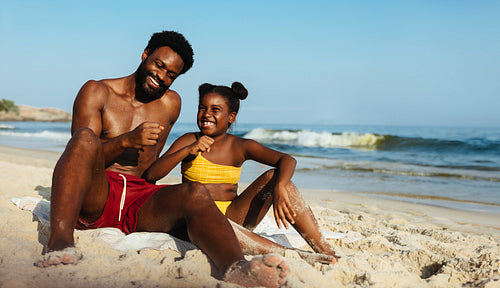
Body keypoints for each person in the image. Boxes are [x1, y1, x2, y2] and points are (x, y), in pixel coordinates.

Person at [37, 31, 288, 288]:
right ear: (145, 55)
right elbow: (82, 154)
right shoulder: (97, 91)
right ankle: (60, 244)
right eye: (159, 65)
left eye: (171, 74)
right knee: (84, 137)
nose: (162, 76)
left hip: (141, 199)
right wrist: (126, 141)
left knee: (194, 192)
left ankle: (237, 269)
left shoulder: (170, 103)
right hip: (98, 193)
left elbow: (151, 172)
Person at [144, 81, 339, 264]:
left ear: (231, 117)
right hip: (197, 220)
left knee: (276, 177)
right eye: (202, 108)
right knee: (220, 224)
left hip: (234, 217)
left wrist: (279, 187)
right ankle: (295, 255)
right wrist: (188, 150)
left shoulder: (240, 146)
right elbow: (152, 175)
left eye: (215, 110)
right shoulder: (188, 140)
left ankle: (326, 250)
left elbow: (287, 159)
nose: (206, 114)